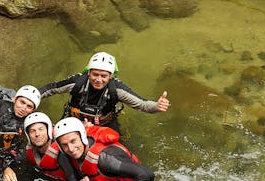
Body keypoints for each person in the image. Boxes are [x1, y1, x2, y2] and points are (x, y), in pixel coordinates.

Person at [39, 52, 170, 133]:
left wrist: (156, 107)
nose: (98, 80)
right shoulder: (77, 82)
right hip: (75, 120)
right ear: (88, 72)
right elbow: (52, 88)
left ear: (111, 76)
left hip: (104, 124)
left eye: (103, 76)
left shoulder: (117, 90)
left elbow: (142, 104)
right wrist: (29, 98)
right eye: (95, 74)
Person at [54, 117, 155, 181]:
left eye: (73, 141)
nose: (71, 149)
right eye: (64, 145)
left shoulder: (105, 159)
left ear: (83, 137)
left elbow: (146, 175)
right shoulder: (70, 155)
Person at [21, 112, 90, 181]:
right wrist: (8, 169)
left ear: (49, 130)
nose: (37, 134)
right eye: (32, 131)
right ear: (28, 135)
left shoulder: (61, 153)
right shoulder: (31, 150)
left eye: (41, 129)